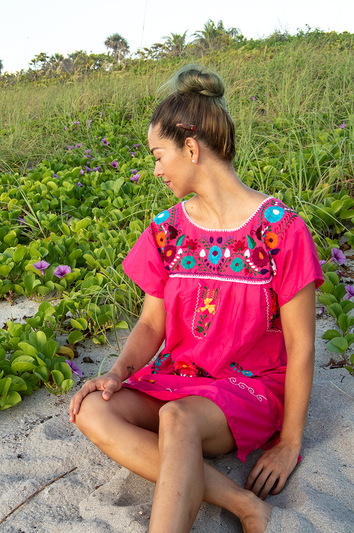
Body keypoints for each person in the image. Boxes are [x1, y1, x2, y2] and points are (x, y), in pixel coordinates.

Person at [69, 64, 324, 533]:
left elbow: (303, 345)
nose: (156, 169)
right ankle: (246, 504)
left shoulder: (281, 230)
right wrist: (116, 373)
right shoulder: (166, 230)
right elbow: (150, 325)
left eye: (159, 155)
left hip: (248, 388)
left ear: (190, 148)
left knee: (178, 419)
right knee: (92, 409)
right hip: (180, 378)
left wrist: (289, 443)